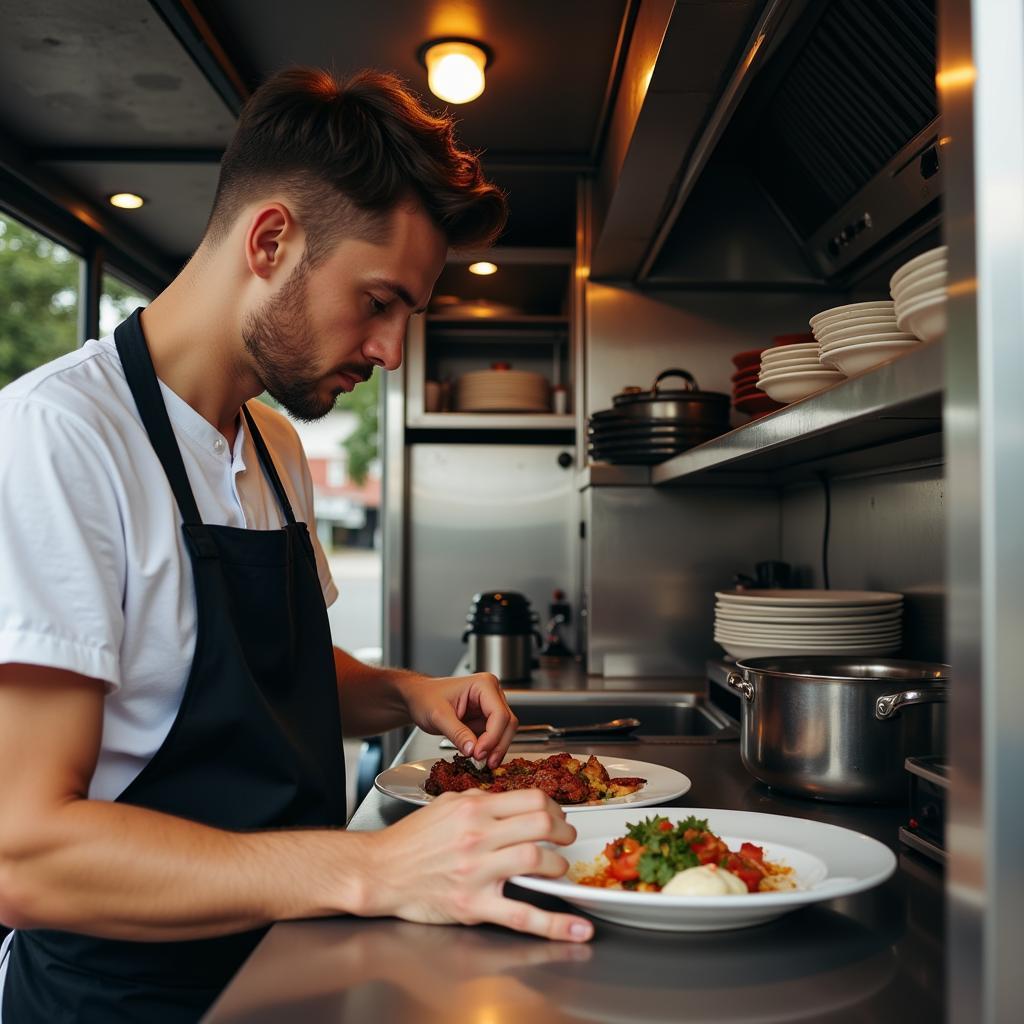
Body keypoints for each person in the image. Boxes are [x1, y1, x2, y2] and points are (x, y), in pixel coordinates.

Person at [0, 67, 593, 1023]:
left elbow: (263, 670)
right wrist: (372, 865)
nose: (395, 352)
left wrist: (406, 692)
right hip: (127, 999)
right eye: (379, 301)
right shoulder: (59, 436)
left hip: (289, 963)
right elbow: (20, 855)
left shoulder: (273, 444)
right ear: (271, 240)